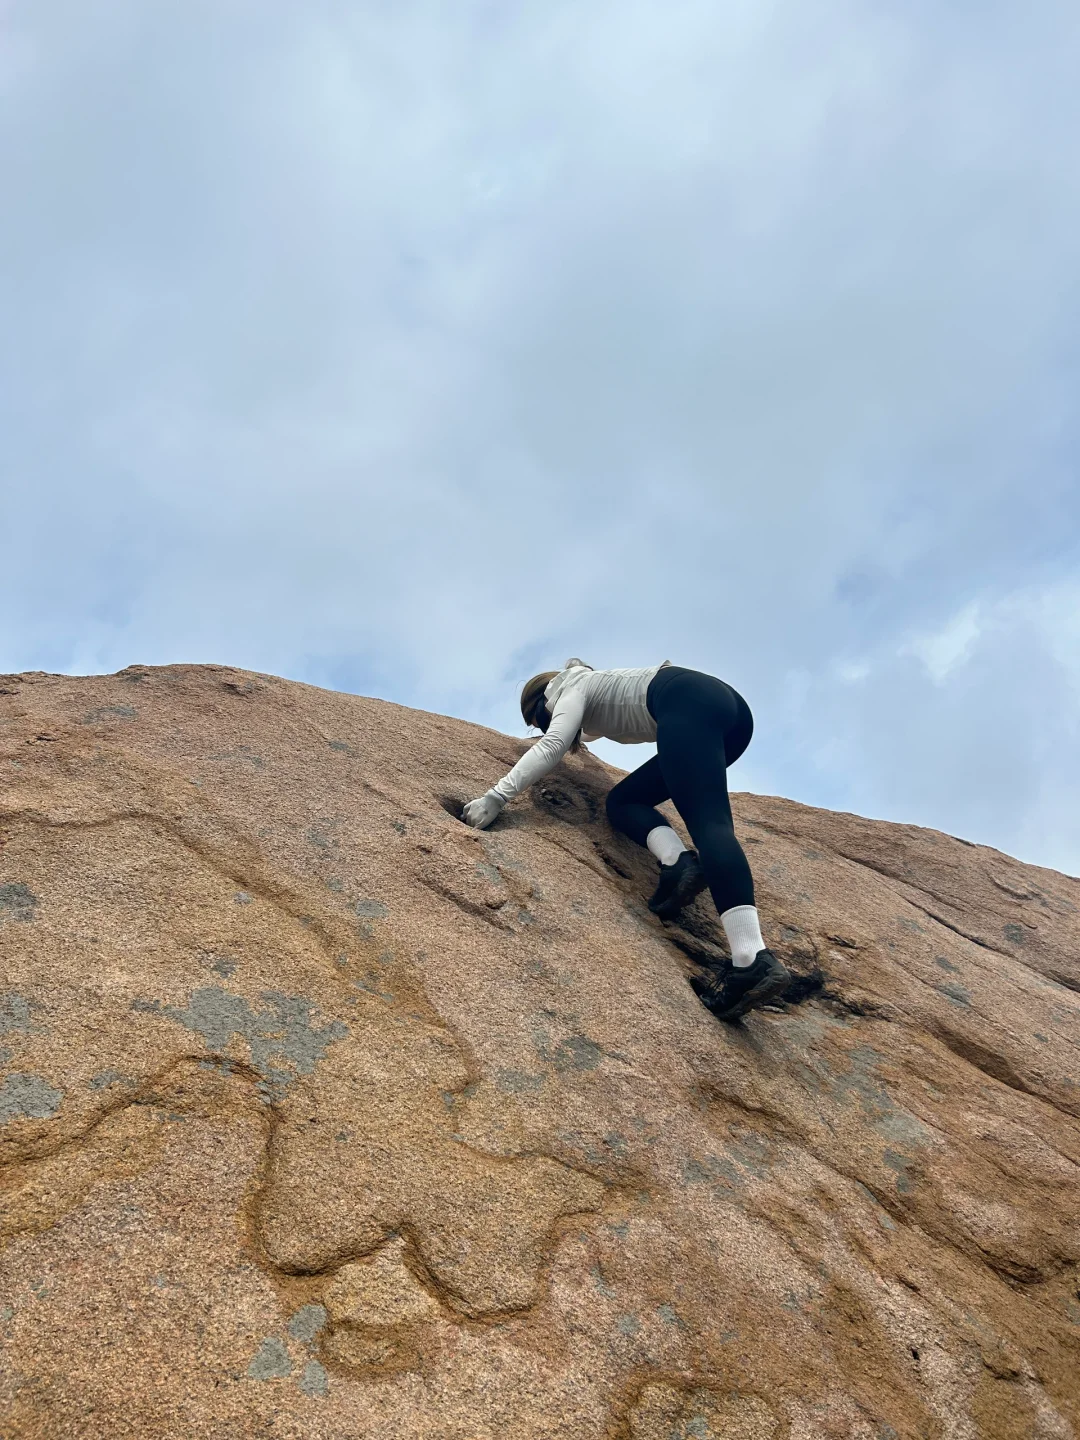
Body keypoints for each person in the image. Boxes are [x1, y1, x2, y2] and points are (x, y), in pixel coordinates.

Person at [462, 658, 790, 1022]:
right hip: (729, 712)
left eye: (538, 721)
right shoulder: (597, 684)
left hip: (688, 704)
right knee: (623, 802)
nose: (544, 727)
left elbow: (555, 743)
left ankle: (750, 959)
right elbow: (584, 734)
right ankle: (678, 865)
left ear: (541, 702)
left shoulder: (567, 688)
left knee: (710, 826)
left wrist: (495, 797)